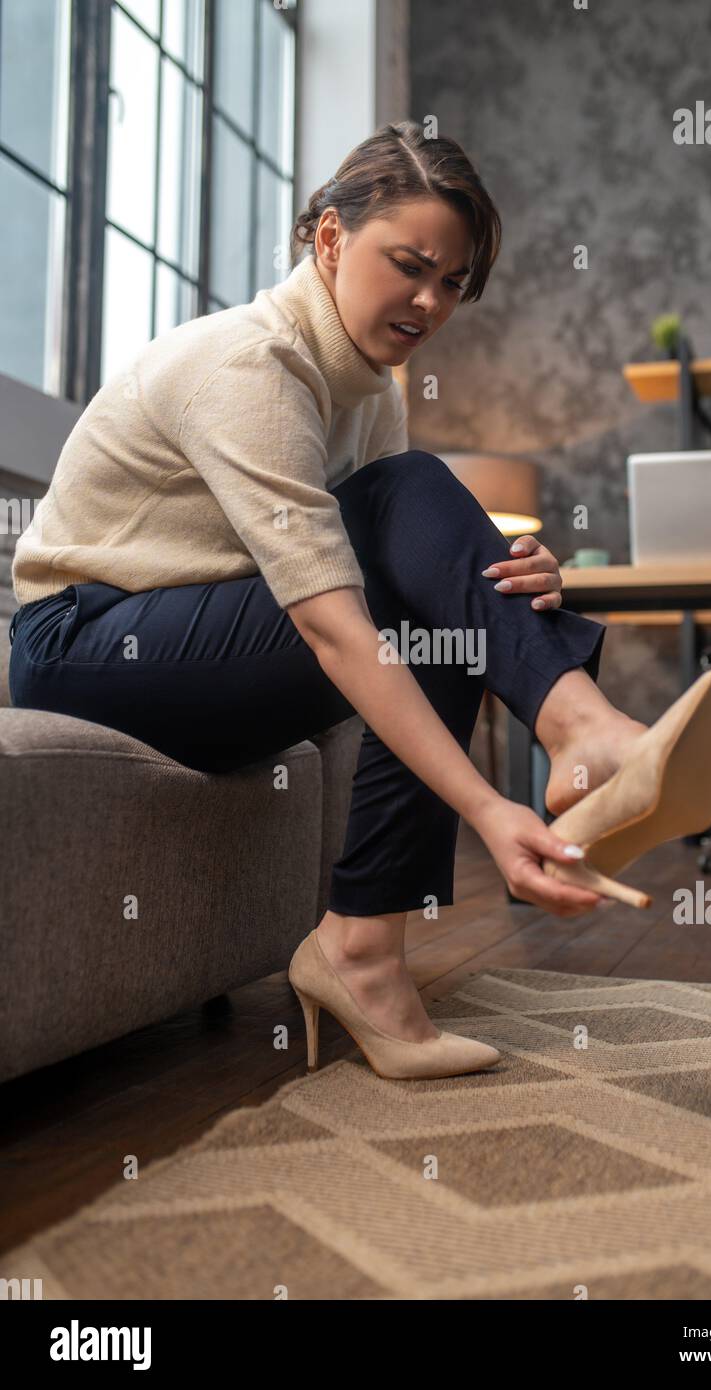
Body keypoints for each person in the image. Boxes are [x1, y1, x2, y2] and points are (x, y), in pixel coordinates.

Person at [8, 120, 649, 1065]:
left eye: (453, 284)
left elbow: (409, 564)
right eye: (411, 265)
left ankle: (361, 946)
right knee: (412, 536)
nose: (429, 301)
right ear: (331, 240)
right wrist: (486, 806)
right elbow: (335, 627)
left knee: (439, 577)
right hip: (87, 649)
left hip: (201, 643)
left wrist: (498, 580)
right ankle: (578, 727)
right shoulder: (249, 369)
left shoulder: (374, 389)